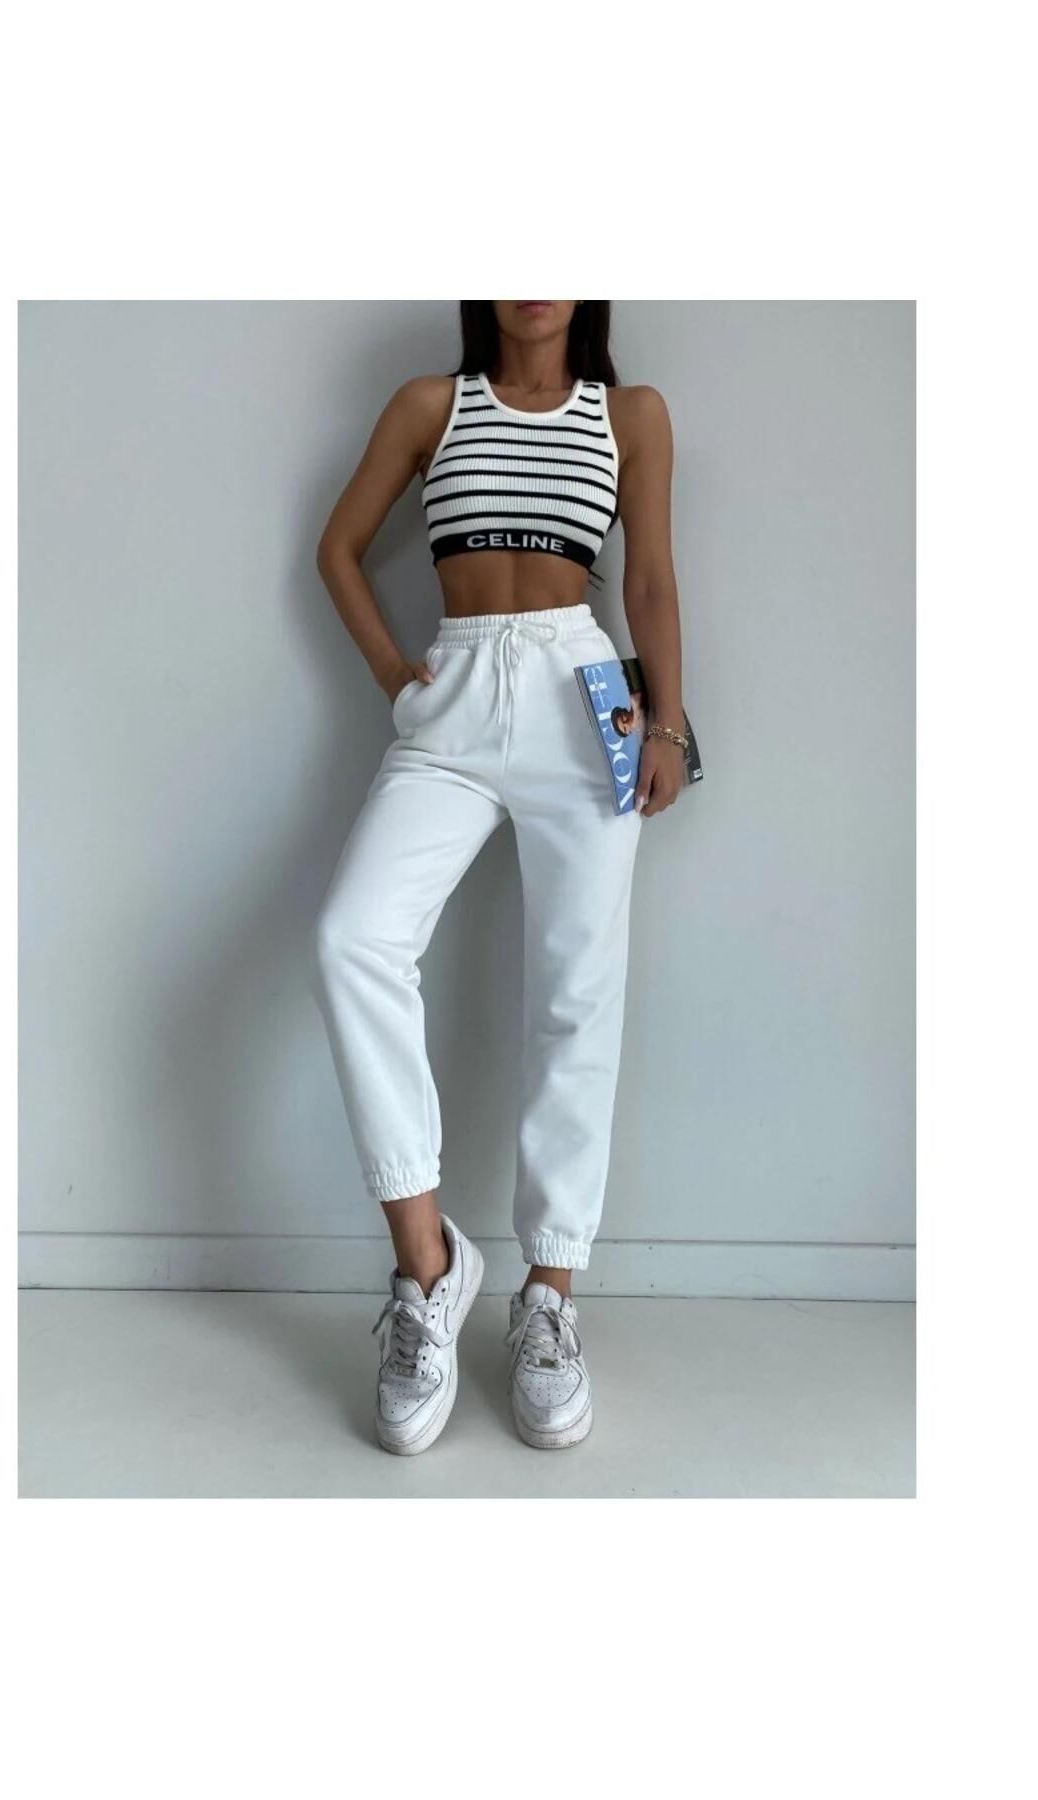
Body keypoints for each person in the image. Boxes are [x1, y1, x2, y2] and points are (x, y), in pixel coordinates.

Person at [313, 301, 687, 1455]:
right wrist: (395, 675)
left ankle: (550, 1301)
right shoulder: (433, 405)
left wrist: (668, 723)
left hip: (584, 694)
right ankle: (428, 1268)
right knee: (352, 939)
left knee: (578, 989)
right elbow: (337, 549)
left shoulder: (631, 415)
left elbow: (650, 579)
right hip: (456, 699)